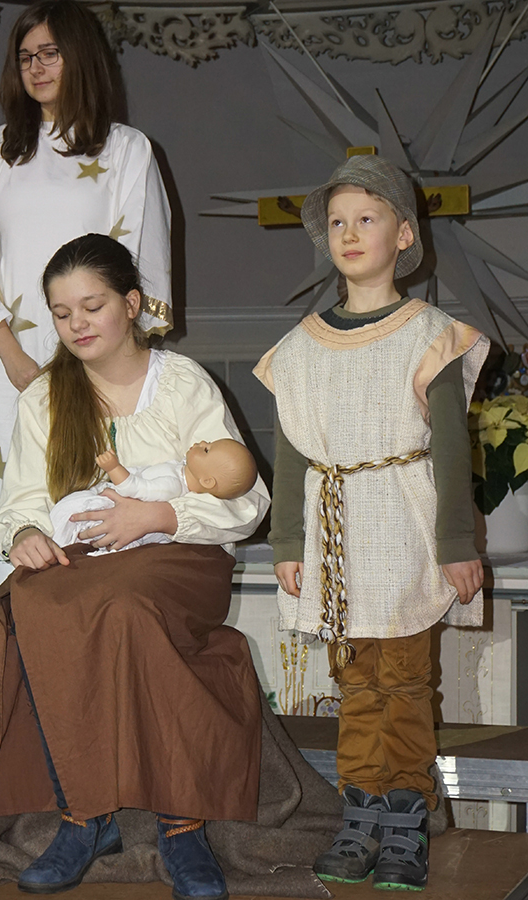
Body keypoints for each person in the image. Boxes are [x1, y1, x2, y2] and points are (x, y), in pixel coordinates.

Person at [0, 234, 270, 900]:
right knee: (33, 601)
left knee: (128, 606)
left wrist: (158, 516)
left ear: (131, 304)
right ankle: (85, 814)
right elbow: (21, 499)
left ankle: (181, 824)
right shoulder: (46, 396)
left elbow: (246, 500)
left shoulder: (182, 383)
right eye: (61, 313)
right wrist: (25, 533)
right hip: (88, 556)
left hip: (181, 554)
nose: (76, 324)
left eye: (92, 306)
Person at [0, 0, 171, 717]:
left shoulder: (126, 151)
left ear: (82, 57)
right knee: (15, 517)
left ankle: (90, 698)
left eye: (51, 52)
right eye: (26, 55)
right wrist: (12, 358)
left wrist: (90, 363)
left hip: (101, 370)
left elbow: (137, 272)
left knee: (94, 515)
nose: (36, 66)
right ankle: (7, 698)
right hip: (10, 371)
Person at [253, 155, 489, 891]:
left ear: (404, 235)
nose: (350, 234)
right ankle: (360, 813)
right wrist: (287, 540)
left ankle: (406, 816)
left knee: (406, 681)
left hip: (403, 526)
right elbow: (291, 451)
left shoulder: (431, 334)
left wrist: (456, 544)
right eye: (337, 223)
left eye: (367, 218)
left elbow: (452, 450)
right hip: (335, 534)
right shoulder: (302, 346)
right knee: (354, 681)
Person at [50, 438, 257, 551]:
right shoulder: (178, 472)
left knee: (70, 511)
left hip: (114, 513)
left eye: (206, 450)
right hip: (118, 513)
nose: (202, 442)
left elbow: (133, 488)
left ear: (208, 482)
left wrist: (113, 468)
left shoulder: (172, 486)